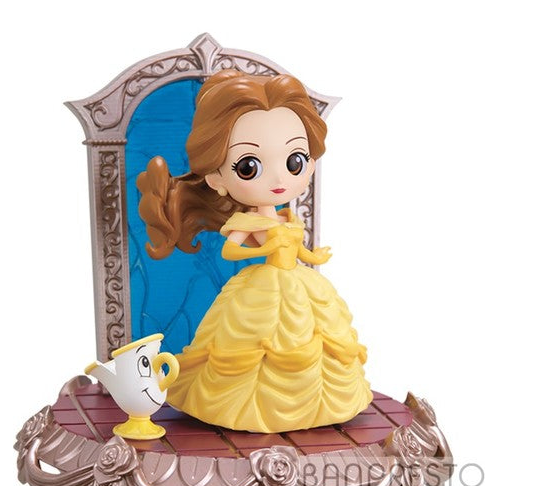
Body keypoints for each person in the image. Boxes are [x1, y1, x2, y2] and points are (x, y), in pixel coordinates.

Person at [137, 70, 372, 433]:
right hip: (261, 288)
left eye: (294, 161)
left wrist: (315, 257)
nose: (279, 180)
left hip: (299, 284)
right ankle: (243, 407)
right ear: (216, 178)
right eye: (249, 167)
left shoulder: (287, 216)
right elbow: (230, 252)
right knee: (251, 346)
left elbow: (299, 249)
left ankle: (309, 402)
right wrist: (266, 248)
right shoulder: (248, 222)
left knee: (314, 340)